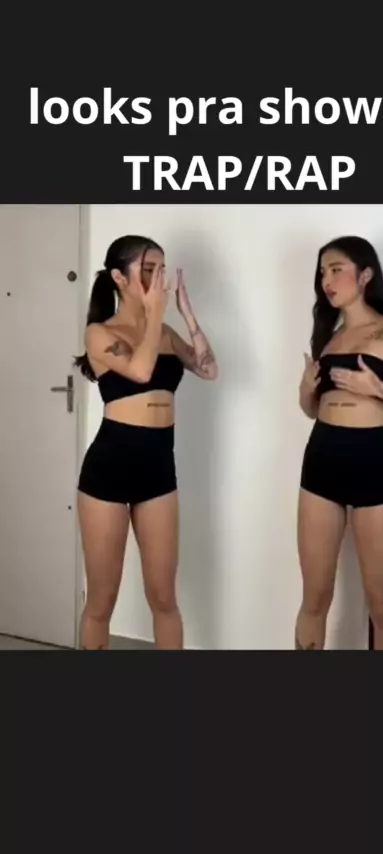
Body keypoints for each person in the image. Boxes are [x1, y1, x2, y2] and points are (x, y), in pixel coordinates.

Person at [74, 235, 218, 650]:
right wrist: (156, 314)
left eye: (161, 270)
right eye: (148, 270)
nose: (158, 280)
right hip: (108, 470)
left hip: (158, 470)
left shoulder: (166, 332)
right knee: (101, 602)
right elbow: (140, 371)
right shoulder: (100, 333)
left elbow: (208, 369)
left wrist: (187, 316)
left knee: (164, 599)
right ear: (119, 278)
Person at [295, 235, 383, 651]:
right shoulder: (330, 338)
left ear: (366, 274)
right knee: (314, 599)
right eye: (322, 272)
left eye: (336, 269)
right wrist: (305, 391)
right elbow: (313, 409)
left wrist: (379, 389)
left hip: (372, 462)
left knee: (382, 606)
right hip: (321, 460)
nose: (326, 280)